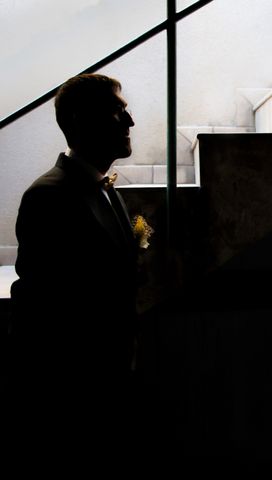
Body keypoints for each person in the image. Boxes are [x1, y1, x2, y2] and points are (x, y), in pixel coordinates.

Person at [8, 73, 138, 455]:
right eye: (118, 112)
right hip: (73, 402)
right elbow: (39, 313)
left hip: (109, 390)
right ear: (82, 120)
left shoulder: (106, 190)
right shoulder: (49, 197)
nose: (129, 122)